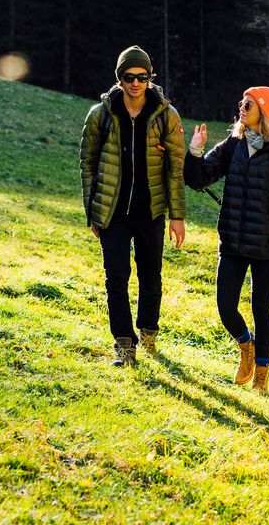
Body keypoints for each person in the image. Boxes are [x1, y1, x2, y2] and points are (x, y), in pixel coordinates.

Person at [185, 86, 269, 394]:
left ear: (262, 112)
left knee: (260, 308)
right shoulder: (232, 144)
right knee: (225, 305)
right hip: (233, 242)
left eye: (248, 104)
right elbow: (199, 179)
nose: (242, 107)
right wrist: (195, 151)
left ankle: (262, 372)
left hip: (266, 245)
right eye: (241, 102)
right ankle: (246, 346)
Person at [80, 46, 186, 367]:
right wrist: (92, 211)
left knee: (150, 276)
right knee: (116, 278)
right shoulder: (101, 115)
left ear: (150, 79)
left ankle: (149, 331)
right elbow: (88, 164)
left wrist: (177, 216)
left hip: (150, 211)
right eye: (130, 77)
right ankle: (124, 344)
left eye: (143, 77)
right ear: (120, 78)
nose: (136, 83)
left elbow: (175, 168)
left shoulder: (166, 115)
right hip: (112, 213)